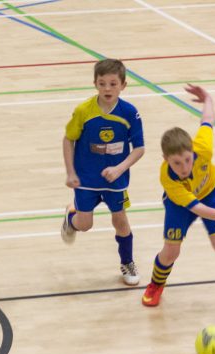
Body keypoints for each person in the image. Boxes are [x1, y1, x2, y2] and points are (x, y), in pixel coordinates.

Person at [141, 84, 215, 307]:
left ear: (192, 152)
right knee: (170, 252)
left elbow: (207, 121)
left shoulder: (202, 148)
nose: (184, 166)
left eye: (187, 159)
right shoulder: (168, 178)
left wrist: (208, 99)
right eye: (177, 163)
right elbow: (196, 209)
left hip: (210, 193)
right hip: (182, 205)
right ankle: (156, 284)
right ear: (165, 159)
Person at [61, 58, 145, 286]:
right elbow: (68, 140)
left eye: (113, 83)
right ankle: (70, 216)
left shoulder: (130, 113)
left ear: (123, 85)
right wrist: (70, 173)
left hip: (117, 181)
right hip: (86, 178)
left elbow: (139, 149)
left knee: (120, 220)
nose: (107, 88)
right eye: (102, 83)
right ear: (95, 84)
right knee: (85, 225)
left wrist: (119, 168)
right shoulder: (83, 111)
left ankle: (127, 262)